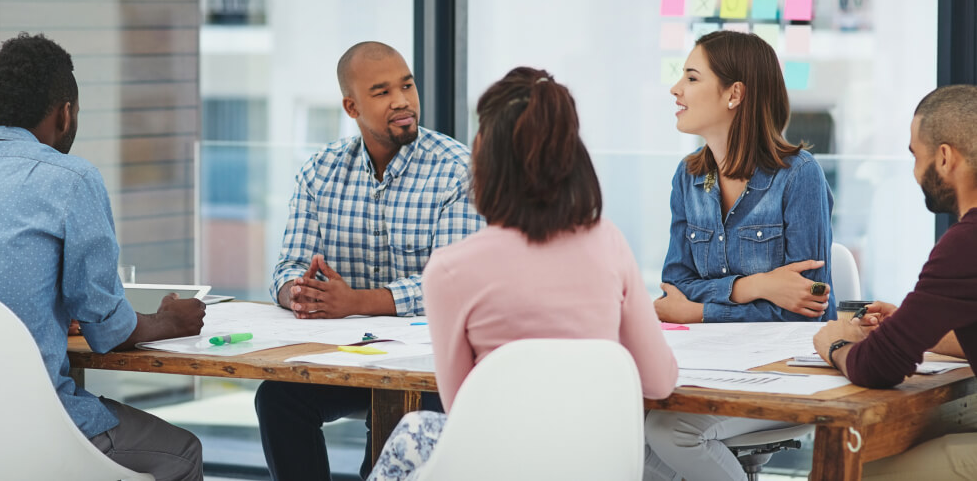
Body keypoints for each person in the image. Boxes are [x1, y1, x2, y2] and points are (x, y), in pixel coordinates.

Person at [0, 33, 205, 480]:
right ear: (65, 113)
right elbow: (107, 331)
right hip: (38, 432)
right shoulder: (72, 179)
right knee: (185, 453)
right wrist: (169, 321)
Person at [366, 67, 679, 481]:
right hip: (592, 464)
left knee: (414, 434)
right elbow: (658, 382)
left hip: (492, 467)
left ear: (483, 157)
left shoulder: (450, 269)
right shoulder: (608, 242)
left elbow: (464, 408)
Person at [256, 41, 484, 481]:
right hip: (344, 357)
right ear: (351, 106)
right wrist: (299, 293)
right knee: (277, 398)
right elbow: (287, 267)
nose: (402, 100)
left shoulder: (458, 170)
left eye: (407, 85)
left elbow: (453, 285)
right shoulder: (319, 172)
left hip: (430, 367)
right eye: (381, 92)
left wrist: (354, 300)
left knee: (392, 440)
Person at [645, 30, 836, 481]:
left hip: (783, 376)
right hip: (703, 367)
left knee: (672, 433)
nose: (676, 89)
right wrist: (757, 286)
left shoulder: (798, 176)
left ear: (734, 94)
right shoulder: (688, 177)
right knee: (630, 431)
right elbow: (676, 286)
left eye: (691, 78)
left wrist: (699, 311)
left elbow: (807, 311)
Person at [812, 84, 977, 480]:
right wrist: (910, 327)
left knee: (853, 470)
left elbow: (878, 367)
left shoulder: (966, 242)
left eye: (915, 156)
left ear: (944, 157)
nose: (915, 172)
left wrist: (835, 343)